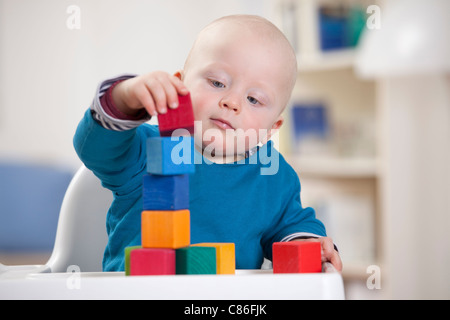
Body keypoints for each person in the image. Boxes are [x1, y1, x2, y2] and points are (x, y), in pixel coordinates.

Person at [74, 14, 342, 272]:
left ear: (272, 129)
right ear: (179, 84)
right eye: (217, 82)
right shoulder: (148, 149)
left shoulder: (274, 175)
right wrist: (125, 97)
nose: (232, 102)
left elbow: (293, 227)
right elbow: (95, 149)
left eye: (254, 99)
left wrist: (309, 246)